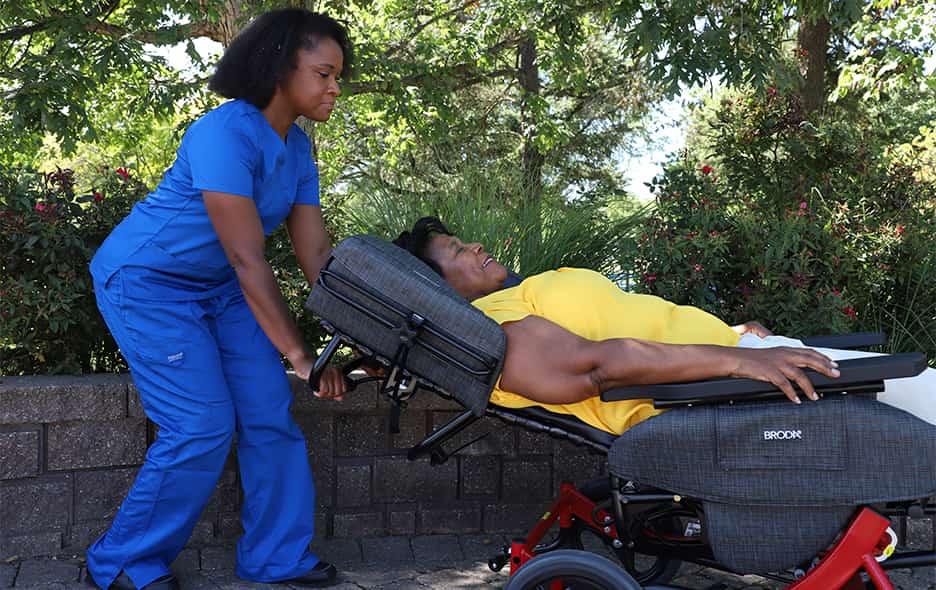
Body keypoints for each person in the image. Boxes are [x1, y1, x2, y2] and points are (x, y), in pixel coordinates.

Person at [86, 9, 350, 590]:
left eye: (338, 75)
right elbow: (247, 258)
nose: (336, 87)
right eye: (324, 73)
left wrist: (364, 333)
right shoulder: (222, 133)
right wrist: (302, 357)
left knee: (267, 411)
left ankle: (275, 558)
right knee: (201, 424)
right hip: (149, 283)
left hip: (221, 291)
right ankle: (120, 562)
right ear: (281, 69)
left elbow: (317, 260)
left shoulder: (298, 149)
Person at [377, 216, 935, 435]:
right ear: (438, 286)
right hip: (737, 383)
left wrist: (733, 338)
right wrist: (741, 361)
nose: (473, 244)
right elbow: (594, 367)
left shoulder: (518, 295)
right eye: (454, 249)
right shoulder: (494, 329)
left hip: (747, 363)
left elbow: (632, 327)